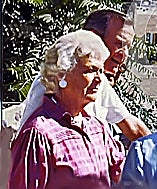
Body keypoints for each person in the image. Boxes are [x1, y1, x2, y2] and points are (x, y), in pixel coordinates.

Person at [9, 30, 125, 188]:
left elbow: (125, 173)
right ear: (61, 75)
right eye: (90, 70)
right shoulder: (38, 134)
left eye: (100, 71)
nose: (99, 79)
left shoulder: (96, 128)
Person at [18, 9, 151, 141]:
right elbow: (27, 142)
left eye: (128, 47)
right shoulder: (49, 83)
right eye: (119, 43)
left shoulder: (98, 82)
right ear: (93, 38)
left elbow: (131, 126)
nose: (125, 54)